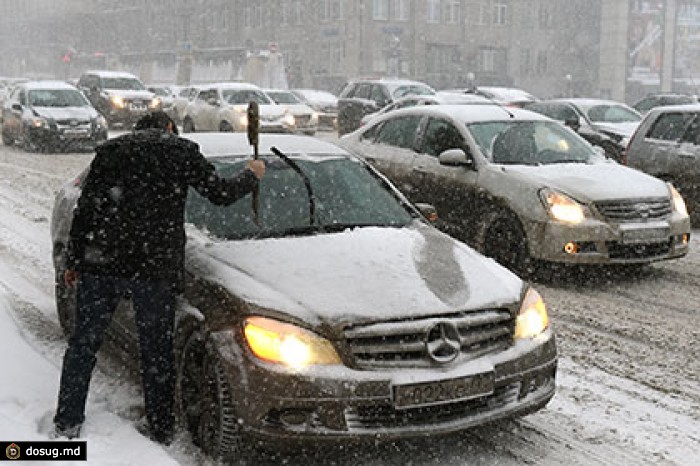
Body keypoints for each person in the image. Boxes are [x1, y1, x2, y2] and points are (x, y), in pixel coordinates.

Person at [51, 111, 265, 444]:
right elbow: (220, 194)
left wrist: (75, 260)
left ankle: (67, 422)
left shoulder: (111, 152)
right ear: (168, 127)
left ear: (138, 129)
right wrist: (251, 176)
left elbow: (85, 210)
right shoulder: (181, 151)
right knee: (156, 352)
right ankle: (161, 427)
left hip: (102, 263)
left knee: (83, 345)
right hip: (154, 268)